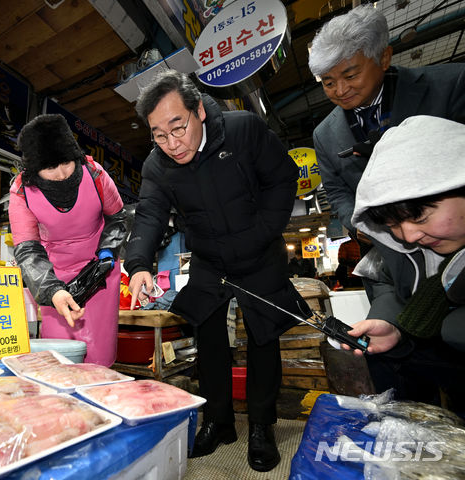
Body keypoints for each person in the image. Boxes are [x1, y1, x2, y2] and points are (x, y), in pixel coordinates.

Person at [124, 70, 310, 471]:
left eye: (178, 127)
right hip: (209, 258)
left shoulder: (243, 130)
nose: (172, 143)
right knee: (207, 336)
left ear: (198, 112)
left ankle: (261, 426)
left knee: (263, 337)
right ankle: (218, 422)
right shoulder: (158, 165)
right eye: (159, 134)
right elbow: (150, 215)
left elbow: (283, 178)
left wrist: (263, 231)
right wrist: (138, 264)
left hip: (260, 250)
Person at [308, 4, 465, 239]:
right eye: (328, 83)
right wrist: (361, 227)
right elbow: (337, 191)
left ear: (383, 58)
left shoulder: (450, 85)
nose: (340, 90)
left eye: (350, 76)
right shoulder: (324, 135)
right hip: (388, 255)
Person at [343, 115, 465, 408]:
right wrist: (394, 328)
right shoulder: (417, 249)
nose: (408, 236)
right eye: (392, 225)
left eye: (420, 217)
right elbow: (391, 278)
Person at [9, 113, 127, 366]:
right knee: (60, 358)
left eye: (66, 163)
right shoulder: (21, 192)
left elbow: (117, 218)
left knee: (100, 354)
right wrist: (51, 291)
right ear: (34, 169)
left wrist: (107, 253)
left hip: (99, 272)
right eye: (51, 167)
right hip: (53, 278)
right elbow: (28, 250)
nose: (62, 173)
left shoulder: (95, 174)